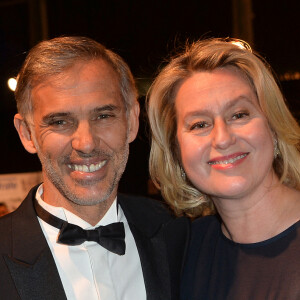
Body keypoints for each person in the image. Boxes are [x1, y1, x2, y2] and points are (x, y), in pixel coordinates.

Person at [0, 36, 189, 300]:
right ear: (27, 134)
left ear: (132, 121)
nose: (86, 143)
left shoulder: (179, 235)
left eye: (103, 116)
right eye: (60, 121)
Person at [147, 38, 300, 299]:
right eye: (199, 124)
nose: (223, 138)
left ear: (273, 128)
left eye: (239, 115)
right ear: (177, 152)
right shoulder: (183, 252)